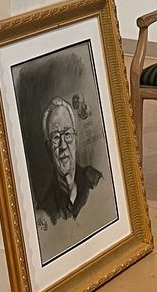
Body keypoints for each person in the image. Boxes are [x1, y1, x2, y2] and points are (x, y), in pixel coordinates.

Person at [33, 97, 104, 230]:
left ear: (75, 141)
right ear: (48, 149)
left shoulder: (96, 182)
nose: (63, 145)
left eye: (67, 134)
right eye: (56, 137)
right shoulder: (46, 213)